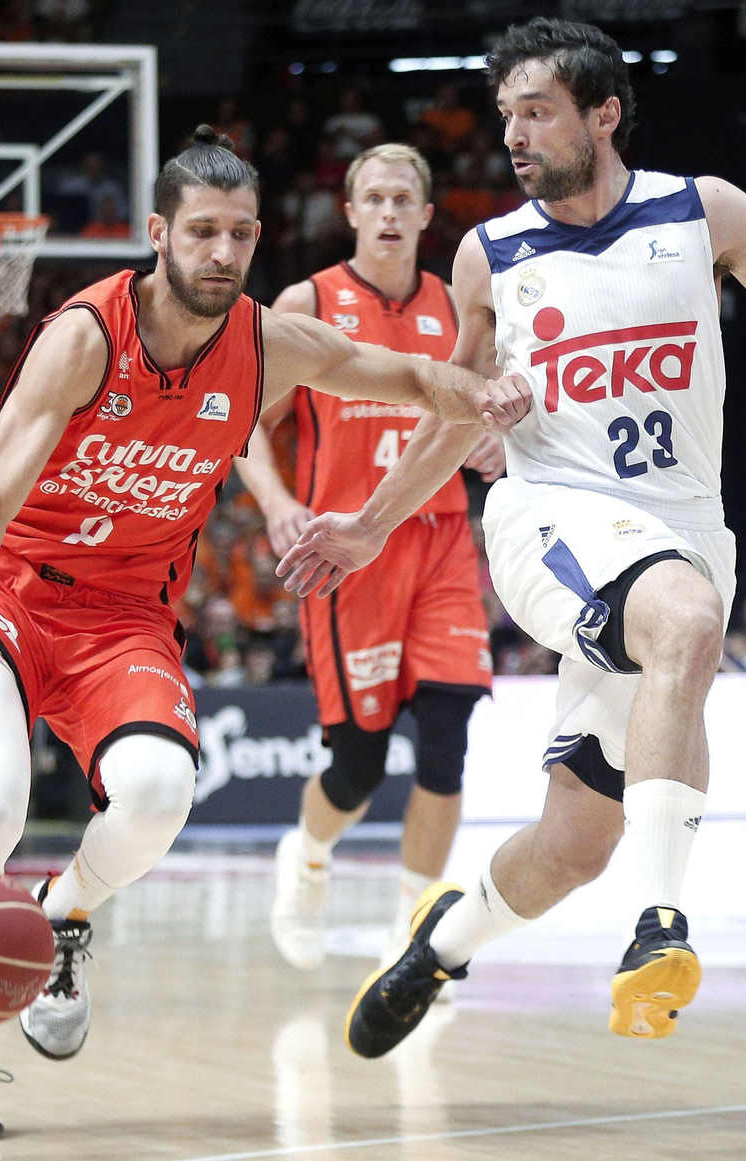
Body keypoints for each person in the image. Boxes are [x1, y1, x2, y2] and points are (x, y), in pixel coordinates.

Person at [275, 16, 746, 1058]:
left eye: (536, 111)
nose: (512, 135)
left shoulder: (703, 212)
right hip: (548, 512)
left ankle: (437, 947)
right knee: (681, 619)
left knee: (571, 845)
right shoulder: (488, 253)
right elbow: (448, 405)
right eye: (504, 114)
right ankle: (659, 929)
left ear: (602, 115)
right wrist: (371, 524)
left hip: (684, 525)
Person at [0, 126, 528, 1140]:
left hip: (122, 611)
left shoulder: (270, 344)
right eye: (203, 232)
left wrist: (478, 393)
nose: (223, 253)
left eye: (241, 234)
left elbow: (398, 375)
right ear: (157, 234)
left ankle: (62, 914)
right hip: (0, 589)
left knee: (156, 795)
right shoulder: (86, 338)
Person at [233, 142, 504, 974]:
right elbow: (242, 419)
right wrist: (279, 503)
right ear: (349, 212)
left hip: (442, 536)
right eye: (373, 199)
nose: (389, 213)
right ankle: (307, 856)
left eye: (403, 200)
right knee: (357, 764)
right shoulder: (307, 301)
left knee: (449, 735)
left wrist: (495, 441)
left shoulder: (461, 308)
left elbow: (490, 412)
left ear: (427, 216)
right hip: (347, 552)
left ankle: (416, 935)